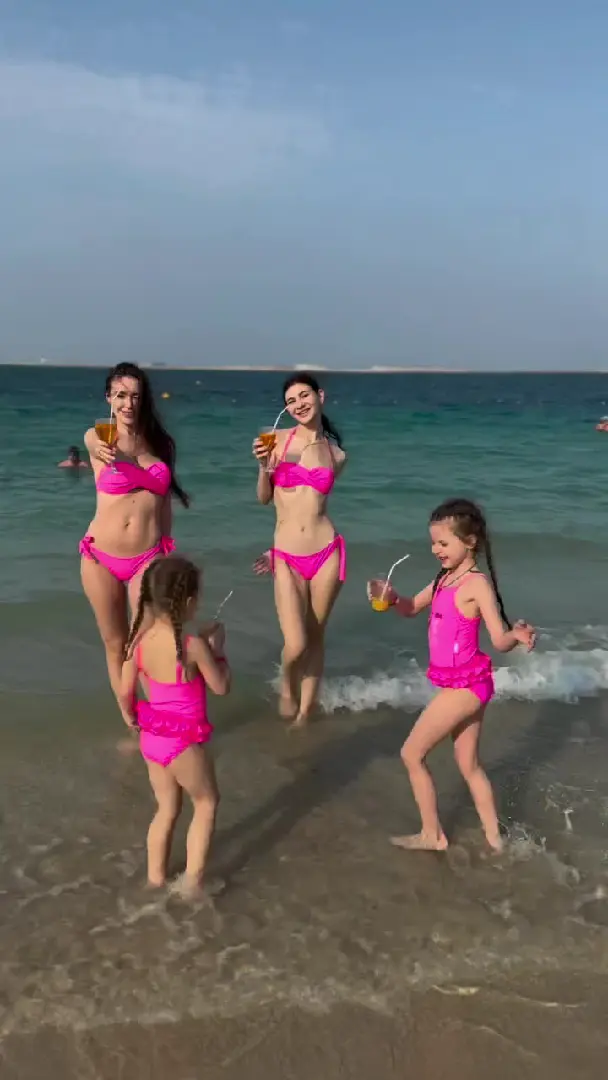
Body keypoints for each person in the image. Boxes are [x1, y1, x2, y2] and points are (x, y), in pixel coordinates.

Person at [367, 498, 536, 853]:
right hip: (467, 685)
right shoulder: (444, 579)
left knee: (411, 754)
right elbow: (411, 608)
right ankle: (496, 841)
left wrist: (516, 636)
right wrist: (393, 598)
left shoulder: (476, 585)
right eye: (433, 543)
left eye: (443, 543)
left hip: (467, 686)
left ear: (470, 541)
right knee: (468, 764)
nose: (436, 550)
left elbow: (498, 640)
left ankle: (433, 835)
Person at [120, 555, 231, 896]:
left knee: (166, 808)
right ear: (188, 601)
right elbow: (221, 687)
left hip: (152, 737)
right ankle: (192, 884)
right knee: (207, 802)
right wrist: (218, 651)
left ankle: (154, 879)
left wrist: (133, 719)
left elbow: (125, 692)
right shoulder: (191, 646)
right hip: (183, 741)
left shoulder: (139, 644)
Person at [80, 362, 189, 704]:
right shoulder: (101, 437)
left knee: (144, 641)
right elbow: (90, 439)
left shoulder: (159, 443)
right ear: (108, 398)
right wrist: (96, 445)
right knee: (114, 644)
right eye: (121, 395)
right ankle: (131, 721)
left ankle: (160, 714)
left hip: (148, 556)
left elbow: (165, 500)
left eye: (135, 396)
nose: (128, 403)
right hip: (100, 557)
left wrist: (168, 546)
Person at [251, 372, 347, 728]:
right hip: (287, 555)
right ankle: (287, 685)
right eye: (291, 401)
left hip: (326, 551)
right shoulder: (274, 441)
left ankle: (306, 713)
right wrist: (263, 467)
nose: (298, 404)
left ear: (320, 396)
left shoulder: (336, 454)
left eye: (304, 396)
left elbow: (315, 505)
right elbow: (264, 499)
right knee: (296, 644)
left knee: (316, 638)